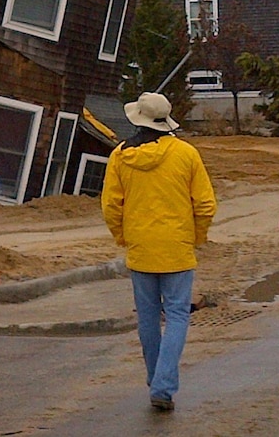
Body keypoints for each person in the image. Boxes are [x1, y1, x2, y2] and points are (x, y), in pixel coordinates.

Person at [101, 91, 216, 413]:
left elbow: (111, 206)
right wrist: (197, 236)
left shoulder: (120, 156)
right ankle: (163, 386)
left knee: (148, 317)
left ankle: (156, 380)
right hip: (177, 247)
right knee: (178, 315)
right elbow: (205, 204)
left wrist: (123, 236)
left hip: (141, 248)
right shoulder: (186, 154)